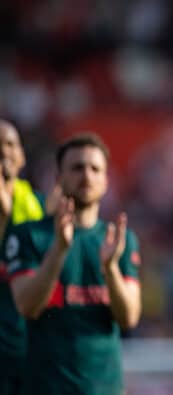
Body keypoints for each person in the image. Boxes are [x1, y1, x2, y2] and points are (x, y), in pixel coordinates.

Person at [5, 133, 142, 395]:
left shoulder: (119, 240)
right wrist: (58, 250)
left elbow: (129, 317)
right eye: (77, 168)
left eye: (95, 169)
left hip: (105, 387)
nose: (87, 176)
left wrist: (110, 268)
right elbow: (27, 306)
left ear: (106, 180)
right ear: (58, 178)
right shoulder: (29, 236)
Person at [0, 120, 60, 395]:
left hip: (28, 347)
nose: (4, 151)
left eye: (10, 143)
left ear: (22, 155)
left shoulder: (37, 204)